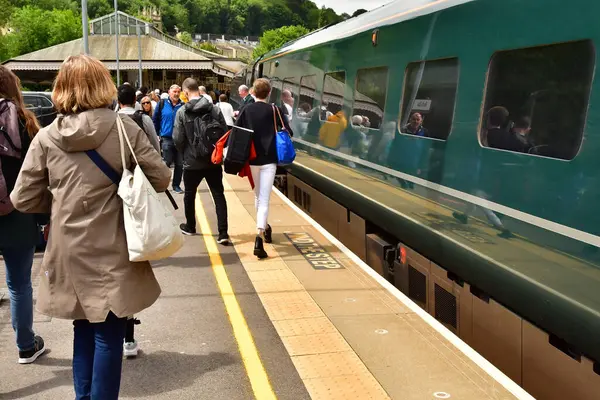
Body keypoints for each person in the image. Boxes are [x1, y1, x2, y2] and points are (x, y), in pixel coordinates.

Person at [10, 54, 171, 399]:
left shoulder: (47, 137)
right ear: (103, 86)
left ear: (60, 89)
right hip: (114, 243)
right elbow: (162, 177)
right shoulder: (123, 128)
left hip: (68, 246)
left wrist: (58, 205)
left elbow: (22, 197)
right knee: (109, 332)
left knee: (83, 327)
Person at [0, 65, 46, 364]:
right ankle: (26, 346)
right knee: (18, 284)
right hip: (17, 211)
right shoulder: (24, 119)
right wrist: (43, 219)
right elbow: (39, 174)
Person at [235, 78, 293, 259]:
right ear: (268, 93)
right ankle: (260, 235)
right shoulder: (275, 110)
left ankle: (265, 228)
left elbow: (238, 133)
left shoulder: (246, 110)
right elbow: (288, 131)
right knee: (265, 199)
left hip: (252, 160)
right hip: (269, 160)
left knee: (257, 196)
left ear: (252, 92)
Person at [173, 78, 230, 244]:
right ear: (198, 89)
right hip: (213, 161)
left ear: (185, 92)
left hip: (192, 162)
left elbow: (177, 138)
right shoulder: (214, 109)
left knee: (189, 195)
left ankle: (190, 226)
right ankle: (223, 233)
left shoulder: (182, 112)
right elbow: (224, 134)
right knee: (218, 195)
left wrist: (185, 152)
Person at [153, 84, 184, 193]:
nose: (176, 94)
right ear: (169, 92)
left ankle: (176, 185)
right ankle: (163, 184)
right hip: (167, 138)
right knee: (166, 163)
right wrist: (157, 133)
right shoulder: (161, 104)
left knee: (180, 164)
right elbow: (155, 119)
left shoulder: (183, 105)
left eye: (178, 92)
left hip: (180, 139)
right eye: (174, 91)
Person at [118, 84, 160, 152]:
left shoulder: (112, 120)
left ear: (118, 101)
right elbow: (154, 143)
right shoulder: (144, 119)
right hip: (140, 160)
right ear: (135, 99)